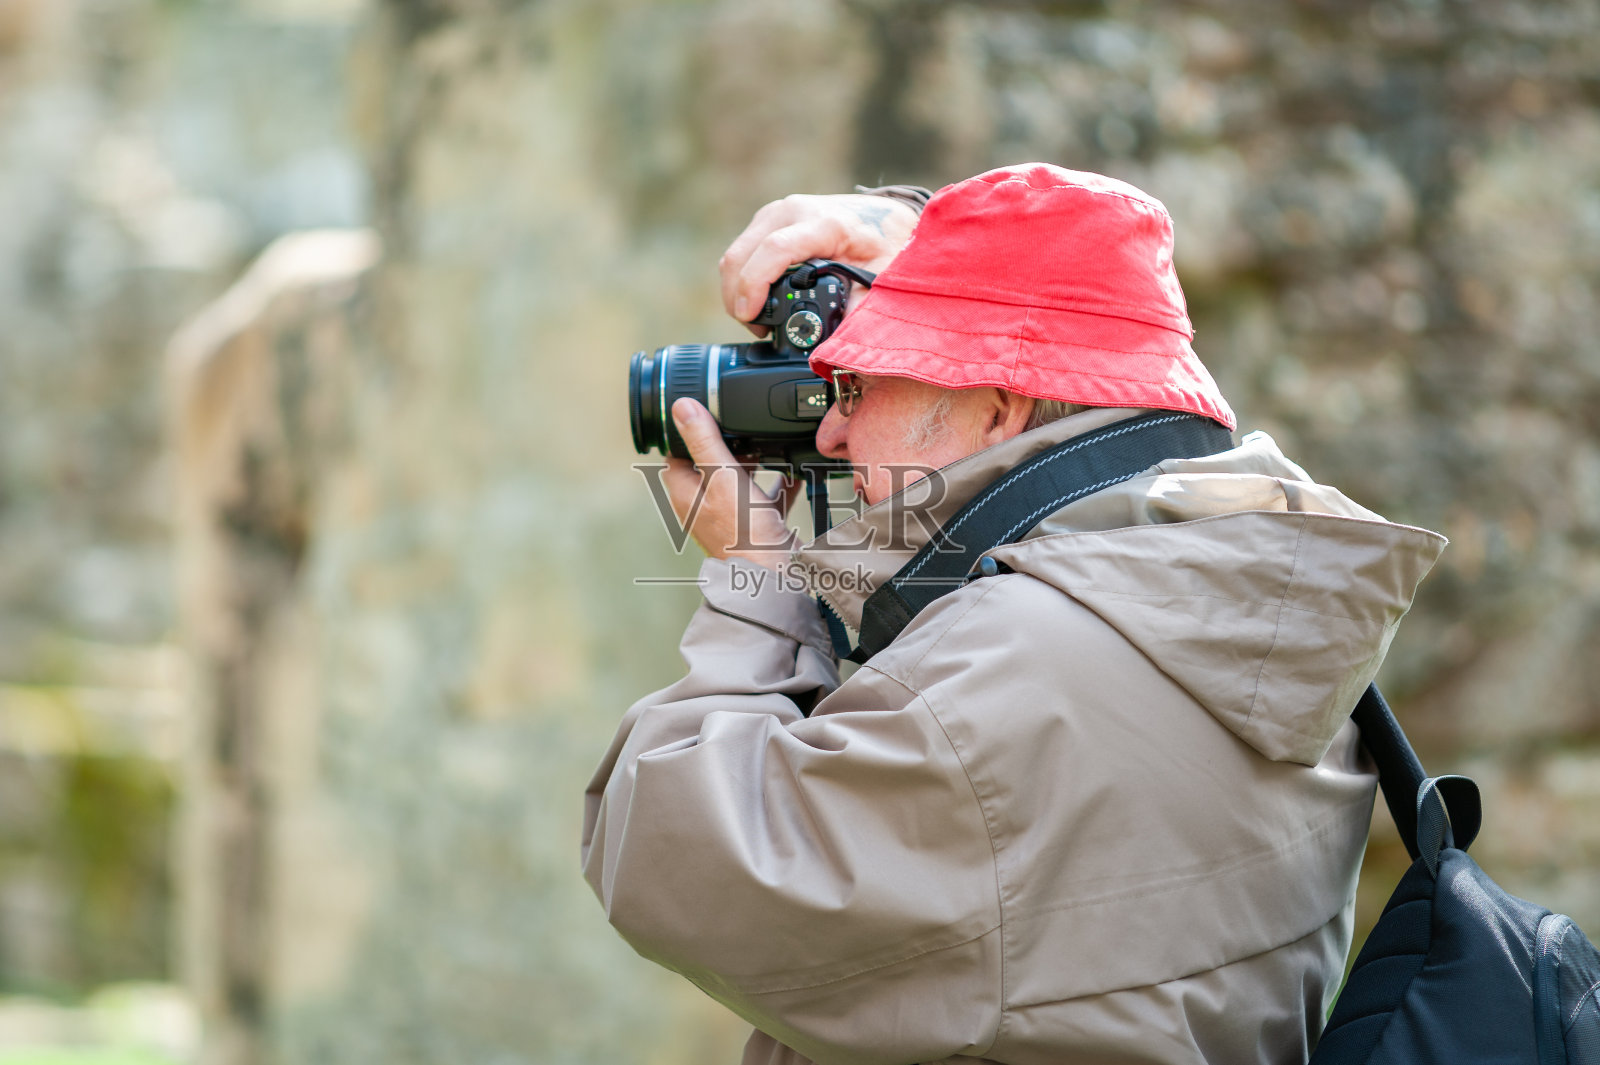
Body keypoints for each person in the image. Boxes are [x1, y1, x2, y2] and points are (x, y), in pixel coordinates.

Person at [582, 163, 1447, 1065]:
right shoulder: (1244, 580)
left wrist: (760, 578)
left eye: (858, 389)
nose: (829, 437)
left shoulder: (1002, 676)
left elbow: (668, 857)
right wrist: (912, 236)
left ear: (997, 411)